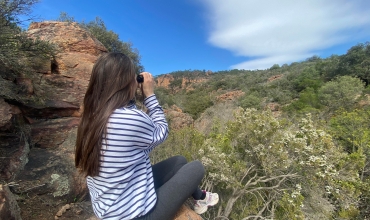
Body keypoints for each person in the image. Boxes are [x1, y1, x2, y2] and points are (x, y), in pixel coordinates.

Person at [75, 52, 219, 219]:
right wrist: (149, 95)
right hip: (136, 215)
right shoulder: (128, 118)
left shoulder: (91, 117)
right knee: (197, 167)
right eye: (133, 78)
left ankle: (200, 198)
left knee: (179, 161)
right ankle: (201, 198)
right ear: (126, 82)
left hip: (111, 206)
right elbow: (162, 131)